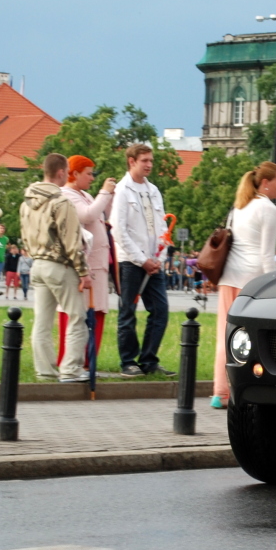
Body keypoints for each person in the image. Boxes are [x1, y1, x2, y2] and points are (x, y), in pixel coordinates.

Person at [212, 161, 276, 408]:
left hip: (229, 278)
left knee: (225, 335)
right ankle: (244, 393)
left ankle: (219, 393)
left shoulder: (239, 206)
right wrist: (274, 286)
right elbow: (267, 255)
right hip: (251, 282)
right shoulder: (268, 210)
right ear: (265, 183)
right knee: (249, 341)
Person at [21, 153, 92, 382]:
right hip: (59, 265)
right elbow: (71, 240)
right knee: (75, 317)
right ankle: (71, 369)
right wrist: (83, 272)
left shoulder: (27, 203)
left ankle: (44, 370)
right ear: (61, 173)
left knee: (42, 321)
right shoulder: (61, 202)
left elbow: (24, 236)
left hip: (37, 263)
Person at [111, 143, 170, 377]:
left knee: (160, 310)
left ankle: (149, 359)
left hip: (153, 262)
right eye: (144, 160)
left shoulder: (153, 190)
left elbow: (162, 226)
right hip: (130, 262)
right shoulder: (122, 191)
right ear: (132, 161)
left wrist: (159, 257)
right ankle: (128, 361)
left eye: (151, 160)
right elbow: (119, 230)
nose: (149, 165)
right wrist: (140, 259)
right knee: (128, 311)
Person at [56, 155, 117, 373]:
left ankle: (90, 359)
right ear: (74, 174)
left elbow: (105, 215)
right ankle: (73, 359)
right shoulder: (67, 195)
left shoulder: (86, 194)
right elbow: (87, 216)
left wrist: (109, 197)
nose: (92, 178)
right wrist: (104, 193)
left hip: (98, 264)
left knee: (98, 311)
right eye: (89, 173)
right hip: (84, 265)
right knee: (78, 313)